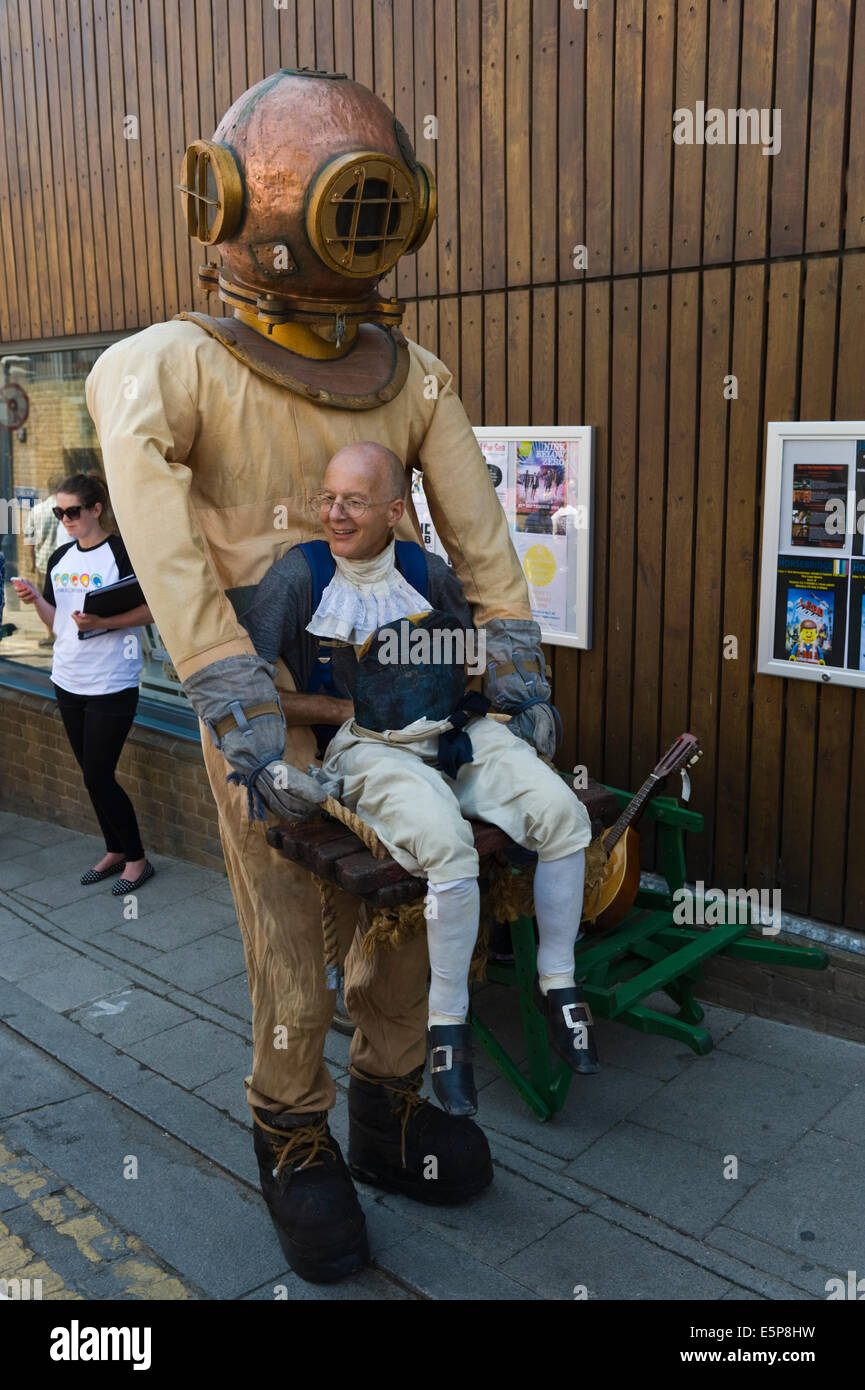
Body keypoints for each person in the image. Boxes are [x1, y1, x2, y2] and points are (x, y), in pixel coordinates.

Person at [85, 69, 562, 1286]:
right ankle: (292, 1128)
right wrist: (221, 679)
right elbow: (158, 525)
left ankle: (388, 1104)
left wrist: (508, 661)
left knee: (406, 902)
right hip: (267, 715)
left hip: (399, 701)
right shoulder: (167, 365)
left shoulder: (411, 375)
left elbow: (480, 539)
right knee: (289, 932)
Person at [241, 441, 599, 1119]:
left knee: (561, 814)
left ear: (394, 510)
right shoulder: (297, 578)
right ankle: (448, 1024)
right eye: (327, 497)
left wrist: (509, 697)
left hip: (451, 728)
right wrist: (344, 709)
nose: (335, 513)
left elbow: (462, 658)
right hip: (365, 747)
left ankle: (557, 981)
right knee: (445, 843)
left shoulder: (425, 571)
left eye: (352, 500)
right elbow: (247, 687)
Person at [11, 472, 156, 893]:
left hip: (112, 680)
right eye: (59, 512)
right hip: (68, 677)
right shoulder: (59, 558)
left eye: (73, 511)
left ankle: (138, 858)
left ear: (96, 509)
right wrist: (36, 601)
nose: (66, 519)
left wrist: (104, 622)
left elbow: (152, 610)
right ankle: (114, 849)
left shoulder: (122, 552)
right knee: (89, 772)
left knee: (98, 773)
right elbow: (58, 624)